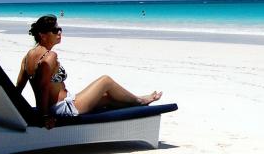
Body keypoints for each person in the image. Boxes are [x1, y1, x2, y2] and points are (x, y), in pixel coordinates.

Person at [15, 15, 162, 128]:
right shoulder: (50, 57)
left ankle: (138, 105)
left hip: (61, 104)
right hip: (63, 108)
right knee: (105, 81)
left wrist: (14, 111)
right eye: (55, 30)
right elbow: (43, 88)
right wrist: (45, 117)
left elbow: (17, 90)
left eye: (60, 29)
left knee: (108, 98)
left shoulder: (27, 58)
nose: (59, 32)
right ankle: (140, 100)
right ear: (43, 35)